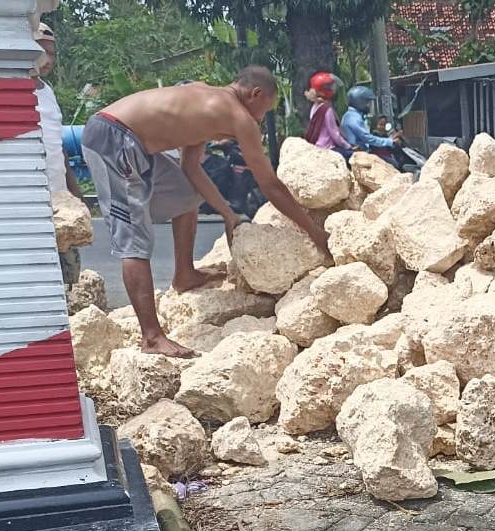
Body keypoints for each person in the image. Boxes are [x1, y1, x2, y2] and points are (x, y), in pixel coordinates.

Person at [81, 66, 331, 358]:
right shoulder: (239, 117)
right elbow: (270, 186)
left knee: (187, 194)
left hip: (129, 137)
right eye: (266, 109)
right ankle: (151, 338)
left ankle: (184, 274)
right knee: (134, 238)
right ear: (255, 94)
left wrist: (228, 215)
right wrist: (315, 233)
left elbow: (190, 168)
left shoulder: (206, 102)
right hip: (114, 136)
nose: (262, 118)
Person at [33, 22, 85, 285]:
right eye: (42, 52)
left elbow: (58, 145)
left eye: (52, 54)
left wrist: (74, 191)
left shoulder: (48, 92)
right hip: (31, 201)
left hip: (59, 199)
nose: (48, 60)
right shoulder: (11, 90)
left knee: (67, 272)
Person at [341, 86, 401, 153]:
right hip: (357, 153)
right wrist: (389, 141)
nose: (369, 106)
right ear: (360, 102)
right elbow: (367, 138)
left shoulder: (351, 116)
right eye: (367, 102)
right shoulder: (353, 118)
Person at [303, 71, 350, 154]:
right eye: (329, 86)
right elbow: (335, 134)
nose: (333, 88)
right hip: (328, 147)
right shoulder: (327, 109)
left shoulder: (315, 106)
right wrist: (348, 146)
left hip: (317, 146)